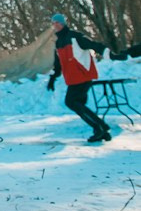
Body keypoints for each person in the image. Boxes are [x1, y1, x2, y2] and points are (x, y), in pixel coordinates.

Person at [47, 13, 111, 143]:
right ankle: (101, 129)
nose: (55, 25)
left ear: (63, 23)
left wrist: (108, 53)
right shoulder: (58, 42)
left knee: (71, 102)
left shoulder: (75, 36)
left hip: (83, 75)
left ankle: (99, 127)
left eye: (58, 22)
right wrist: (53, 78)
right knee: (78, 104)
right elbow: (58, 64)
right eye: (53, 23)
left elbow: (93, 45)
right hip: (72, 78)